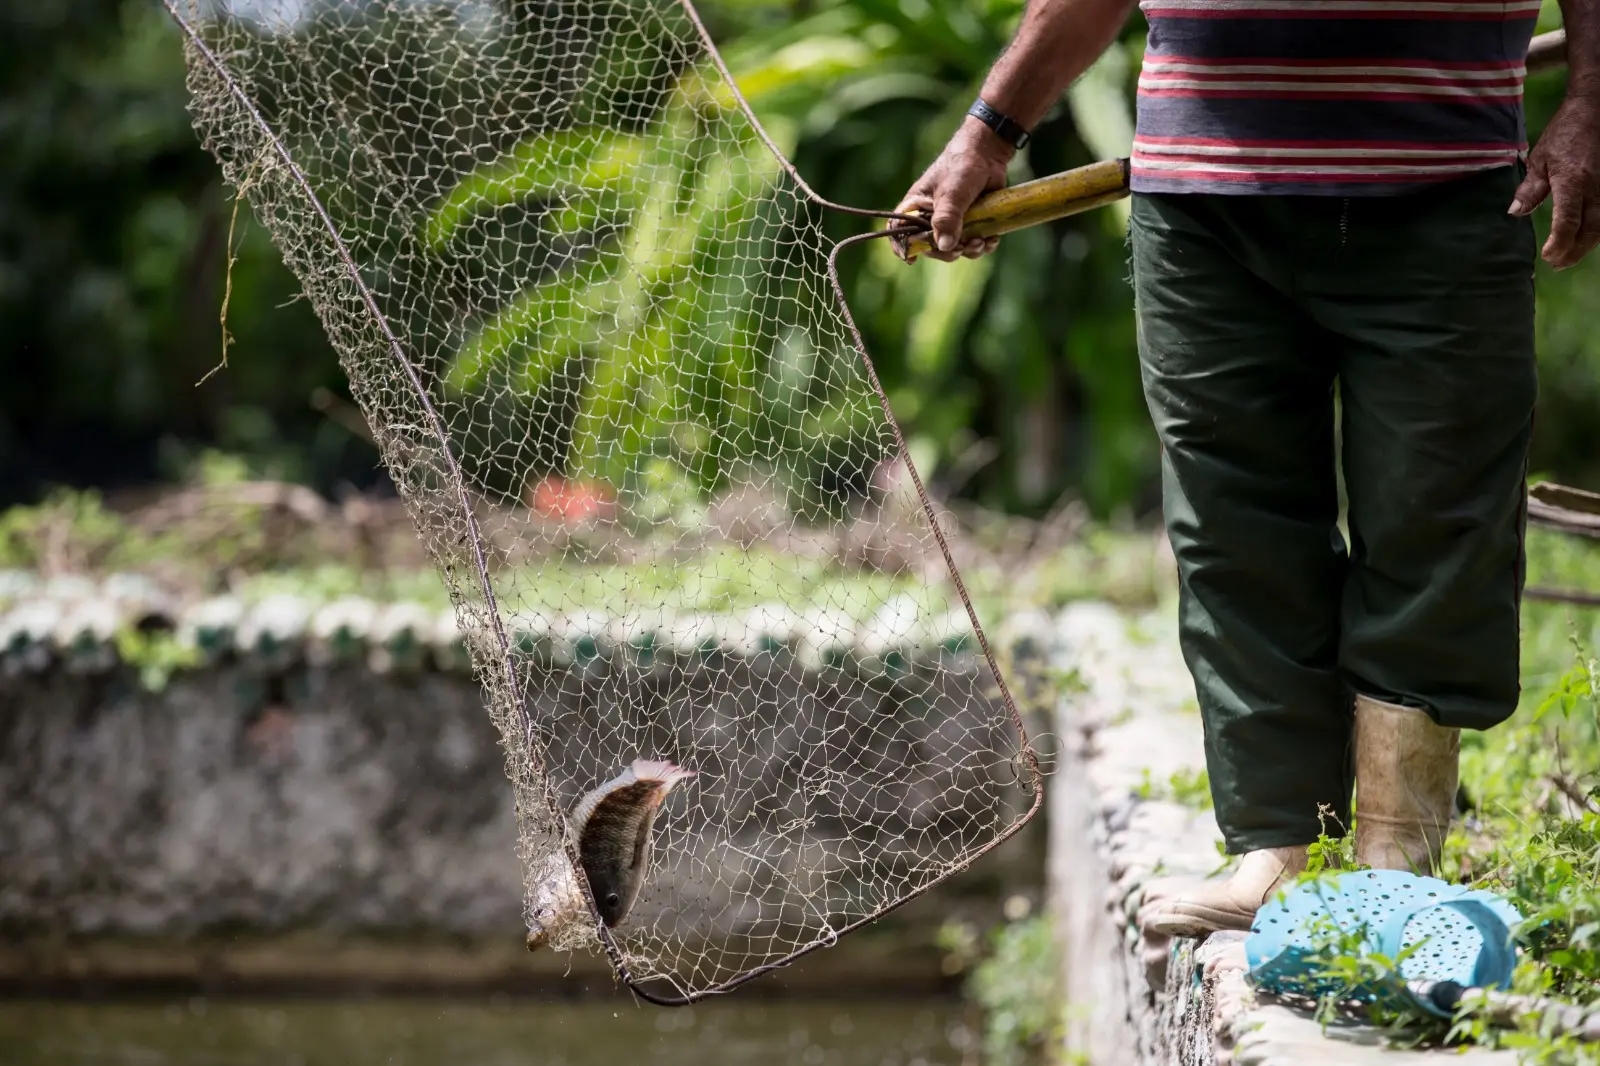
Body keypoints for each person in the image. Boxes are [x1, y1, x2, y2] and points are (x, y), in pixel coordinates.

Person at [897, 0, 1600, 936]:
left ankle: (1398, 855)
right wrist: (988, 130)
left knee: (1439, 515)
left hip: (1447, 188)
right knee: (1234, 525)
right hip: (1203, 207)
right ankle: (1277, 850)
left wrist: (1591, 99)